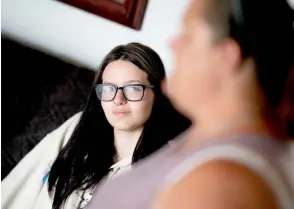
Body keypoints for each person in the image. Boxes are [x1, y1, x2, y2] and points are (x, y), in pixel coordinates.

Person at [85, 0, 294, 209]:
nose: (173, 44)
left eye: (188, 34)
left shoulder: (220, 184)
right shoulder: (215, 142)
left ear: (227, 56)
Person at [1, 43, 190, 209]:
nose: (118, 99)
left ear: (157, 94)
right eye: (108, 88)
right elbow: (22, 182)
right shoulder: (78, 126)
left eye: (133, 88)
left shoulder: (172, 165)